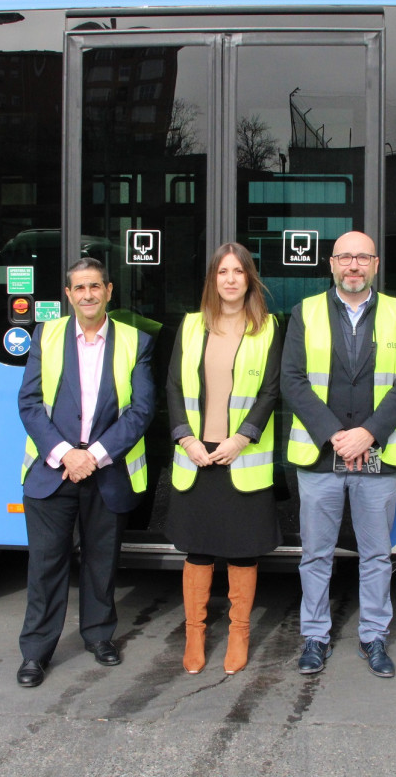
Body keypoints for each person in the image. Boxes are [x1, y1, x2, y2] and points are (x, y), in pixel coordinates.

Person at [280, 230, 396, 678]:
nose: (353, 265)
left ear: (375, 264)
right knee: (316, 554)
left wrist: (369, 434)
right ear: (332, 264)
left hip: (375, 456)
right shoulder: (306, 312)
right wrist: (336, 435)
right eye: (345, 257)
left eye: (362, 257)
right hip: (322, 454)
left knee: (377, 554)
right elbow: (293, 380)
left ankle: (374, 636)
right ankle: (315, 637)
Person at [15, 257, 156, 688]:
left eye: (96, 286)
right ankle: (36, 653)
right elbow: (30, 402)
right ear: (69, 294)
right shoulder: (48, 334)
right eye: (80, 288)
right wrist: (65, 454)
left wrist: (93, 455)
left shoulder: (137, 340)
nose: (88, 295)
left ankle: (99, 636)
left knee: (101, 563)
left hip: (107, 471)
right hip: (52, 471)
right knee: (45, 566)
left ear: (109, 291)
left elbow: (141, 410)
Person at [166, 242, 282, 676]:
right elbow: (174, 388)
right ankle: (194, 634)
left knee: (242, 554)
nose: (230, 279)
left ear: (249, 278)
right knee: (197, 553)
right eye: (222, 272)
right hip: (196, 457)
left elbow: (271, 391)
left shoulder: (268, 327)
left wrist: (241, 438)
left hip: (241, 459)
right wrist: (186, 439)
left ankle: (238, 633)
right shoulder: (192, 325)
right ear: (212, 280)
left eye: (238, 271)